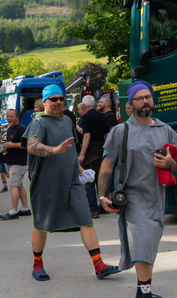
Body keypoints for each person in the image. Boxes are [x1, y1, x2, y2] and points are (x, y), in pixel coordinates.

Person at [97, 81, 177, 298]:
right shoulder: (121, 131)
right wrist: (102, 195)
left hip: (156, 197)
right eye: (139, 98)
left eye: (148, 97)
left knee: (150, 242)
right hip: (131, 196)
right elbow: (107, 164)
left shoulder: (164, 129)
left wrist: (169, 163)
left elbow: (176, 163)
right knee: (142, 241)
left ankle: (140, 287)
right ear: (130, 104)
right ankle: (146, 296)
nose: (145, 101)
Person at [22, 84, 121, 281]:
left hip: (72, 181)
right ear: (44, 102)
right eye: (53, 99)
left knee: (86, 220)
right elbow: (31, 146)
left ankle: (99, 265)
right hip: (45, 183)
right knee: (41, 224)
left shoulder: (67, 120)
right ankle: (37, 265)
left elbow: (70, 150)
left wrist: (79, 168)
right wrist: (53, 150)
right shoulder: (38, 122)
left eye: (61, 98)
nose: (58, 102)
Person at [78, 95, 110, 218]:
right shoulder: (101, 116)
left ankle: (93, 210)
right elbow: (106, 134)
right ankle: (103, 206)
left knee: (89, 180)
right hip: (101, 149)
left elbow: (87, 136)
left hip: (90, 151)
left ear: (84, 106)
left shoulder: (86, 117)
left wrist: (82, 154)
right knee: (100, 178)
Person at [0, 109, 31, 220]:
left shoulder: (22, 129)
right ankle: (25, 208)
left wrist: (11, 145)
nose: (9, 118)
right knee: (18, 185)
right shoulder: (9, 128)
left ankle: (13, 211)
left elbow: (26, 145)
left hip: (19, 162)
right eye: (7, 116)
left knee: (13, 186)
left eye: (11, 116)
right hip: (11, 161)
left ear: (17, 117)